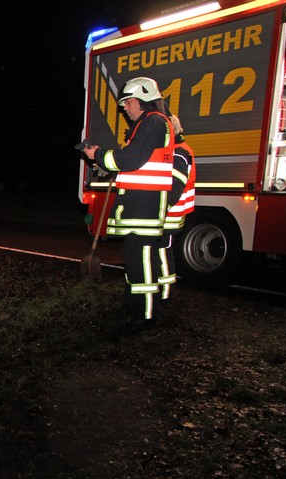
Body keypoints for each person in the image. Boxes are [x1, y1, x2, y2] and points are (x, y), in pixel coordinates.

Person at [82, 77, 175, 335]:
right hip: (140, 210)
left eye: (128, 102)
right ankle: (133, 307)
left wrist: (99, 154)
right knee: (135, 264)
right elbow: (134, 162)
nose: (125, 107)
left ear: (143, 99)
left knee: (142, 266)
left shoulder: (152, 122)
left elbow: (130, 159)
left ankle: (145, 317)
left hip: (144, 210)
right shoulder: (152, 123)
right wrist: (107, 162)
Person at [158, 114, 196, 301]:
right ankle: (164, 291)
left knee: (163, 252)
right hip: (170, 214)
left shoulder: (178, 152)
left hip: (168, 215)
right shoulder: (177, 149)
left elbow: (175, 188)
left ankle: (166, 294)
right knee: (163, 251)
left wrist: (160, 209)